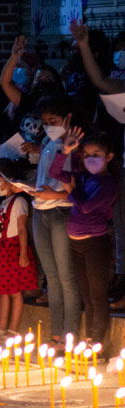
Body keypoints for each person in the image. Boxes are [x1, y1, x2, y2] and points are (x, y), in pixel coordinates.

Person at [69, 21, 125, 307]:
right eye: (118, 52)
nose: (120, 57)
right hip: (120, 165)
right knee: (120, 225)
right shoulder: (120, 86)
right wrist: (83, 44)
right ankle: (120, 280)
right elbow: (100, 80)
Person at [50, 129, 117, 349]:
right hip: (76, 244)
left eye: (96, 154)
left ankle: (96, 345)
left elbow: (87, 207)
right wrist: (66, 150)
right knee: (86, 296)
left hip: (95, 244)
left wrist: (71, 191)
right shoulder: (83, 176)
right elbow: (55, 172)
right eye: (86, 155)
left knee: (97, 295)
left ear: (109, 157)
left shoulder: (108, 183)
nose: (91, 159)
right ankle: (88, 342)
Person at [27, 95, 82, 350]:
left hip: (61, 212)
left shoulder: (75, 146)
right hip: (41, 212)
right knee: (51, 276)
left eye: (54, 121)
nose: (49, 126)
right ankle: (56, 333)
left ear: (68, 119)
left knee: (66, 277)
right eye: (45, 122)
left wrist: (54, 195)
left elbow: (77, 189)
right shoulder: (48, 143)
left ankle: (69, 334)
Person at [0, 160, 38, 336]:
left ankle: (12, 329)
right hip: (0, 250)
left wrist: (23, 254)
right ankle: (1, 328)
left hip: (11, 250)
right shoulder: (4, 203)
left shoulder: (19, 201)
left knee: (14, 292)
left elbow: (21, 228)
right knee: (3, 291)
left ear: (10, 181)